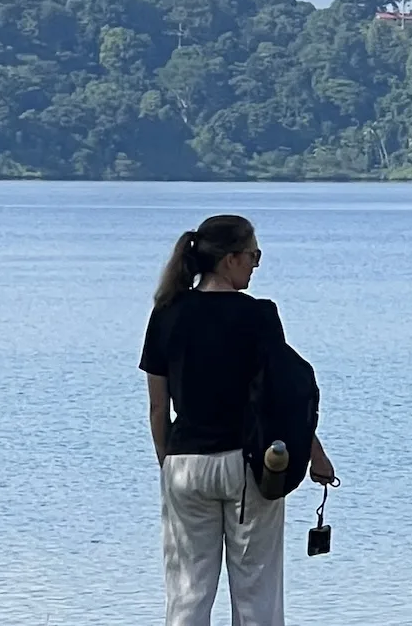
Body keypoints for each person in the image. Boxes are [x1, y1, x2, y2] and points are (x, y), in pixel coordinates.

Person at [140, 215, 335, 626]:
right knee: (255, 593)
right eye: (253, 256)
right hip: (248, 465)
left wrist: (167, 463)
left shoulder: (166, 313)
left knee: (187, 594)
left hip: (184, 464)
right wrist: (315, 455)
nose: (255, 265)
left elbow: (158, 408)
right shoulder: (259, 316)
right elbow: (282, 396)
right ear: (230, 260)